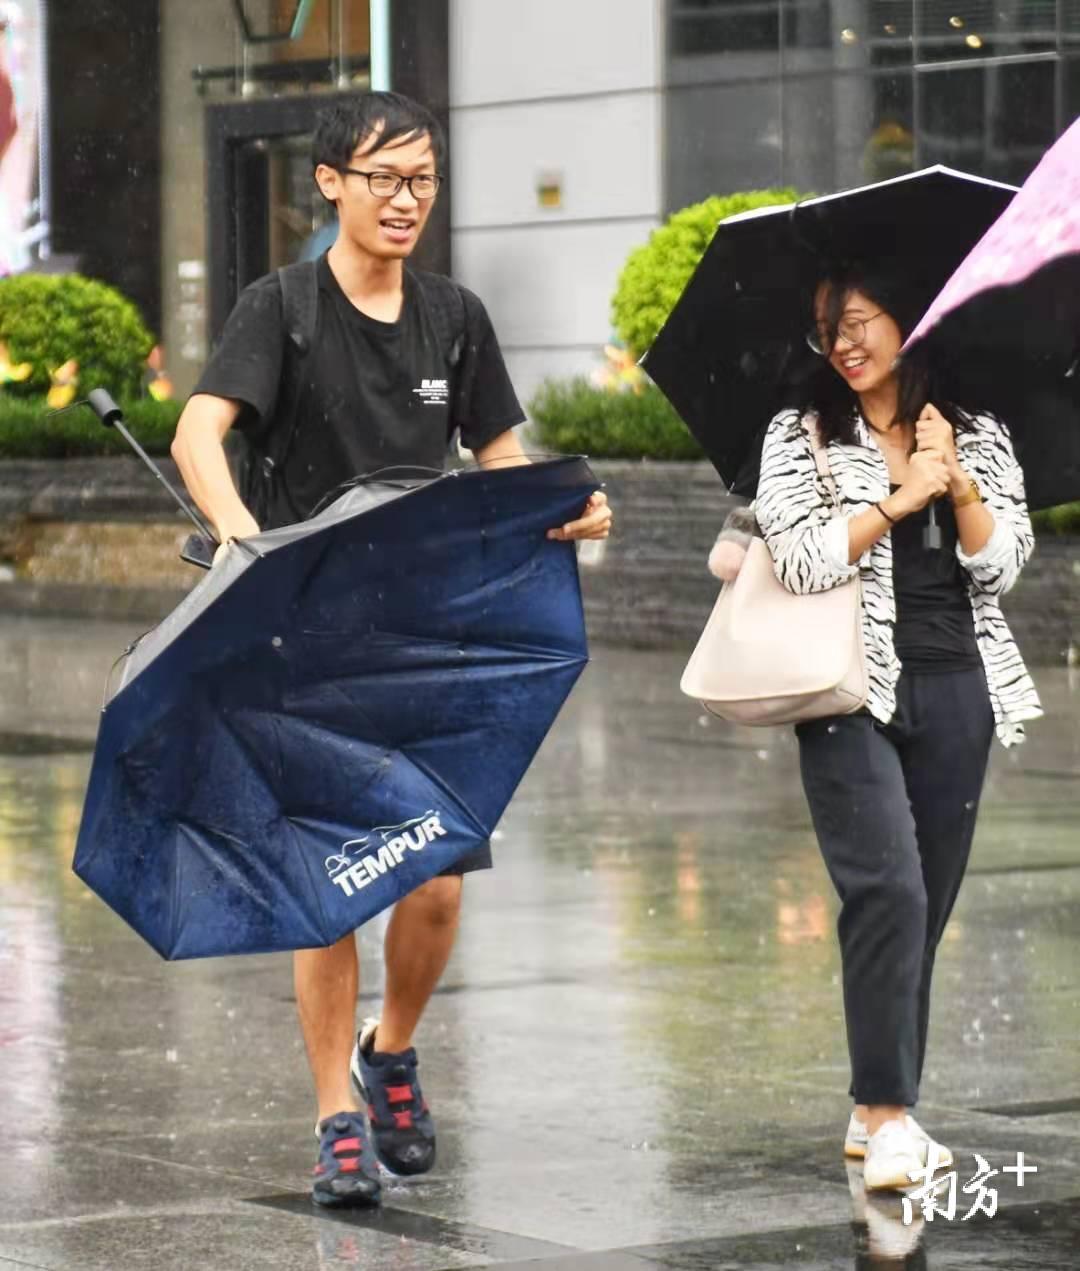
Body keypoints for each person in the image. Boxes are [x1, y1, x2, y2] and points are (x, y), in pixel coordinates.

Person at [171, 91, 612, 1208]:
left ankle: (392, 1048)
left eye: (422, 180)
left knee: (436, 886)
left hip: (427, 635)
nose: (406, 200)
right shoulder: (283, 308)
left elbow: (502, 452)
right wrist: (237, 534)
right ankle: (334, 1118)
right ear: (330, 183)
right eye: (384, 179)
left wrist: (563, 507)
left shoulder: (453, 318)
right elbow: (198, 430)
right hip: (302, 636)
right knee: (326, 890)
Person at [751, 263, 1041, 1192]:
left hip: (960, 683)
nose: (843, 345)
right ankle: (890, 1121)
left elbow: (1003, 569)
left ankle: (876, 1092)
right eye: (827, 330)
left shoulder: (977, 428)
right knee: (889, 890)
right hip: (849, 686)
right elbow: (797, 560)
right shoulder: (800, 437)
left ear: (910, 323)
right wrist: (896, 498)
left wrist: (954, 483)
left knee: (927, 903)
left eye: (859, 322)